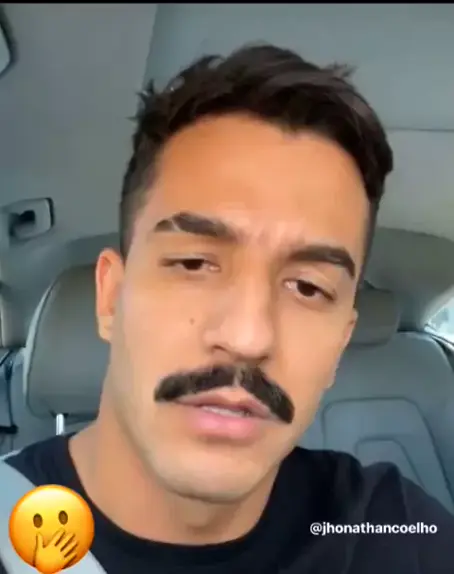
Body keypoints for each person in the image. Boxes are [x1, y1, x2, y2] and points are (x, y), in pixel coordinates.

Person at [3, 43, 454, 573]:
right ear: (111, 298)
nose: (247, 336)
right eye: (194, 263)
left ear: (339, 344)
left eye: (308, 288)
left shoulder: (390, 526)